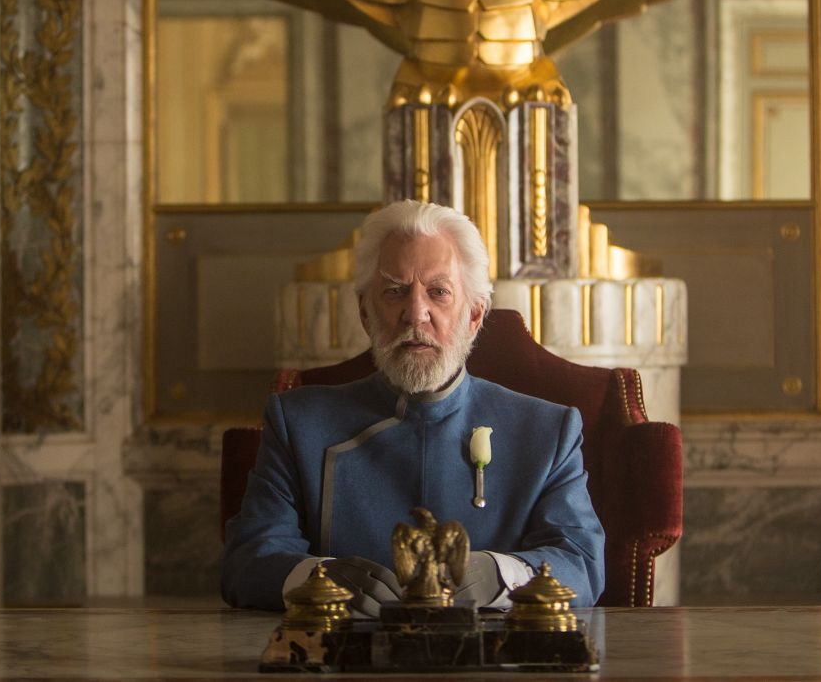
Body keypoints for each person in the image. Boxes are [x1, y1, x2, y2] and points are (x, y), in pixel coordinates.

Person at [220, 200, 606, 615]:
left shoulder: (548, 430)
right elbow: (247, 562)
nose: (415, 313)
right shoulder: (298, 423)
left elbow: (583, 564)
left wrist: (500, 575)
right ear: (366, 313)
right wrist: (321, 578)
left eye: (438, 292)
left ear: (475, 314)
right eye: (394, 291)